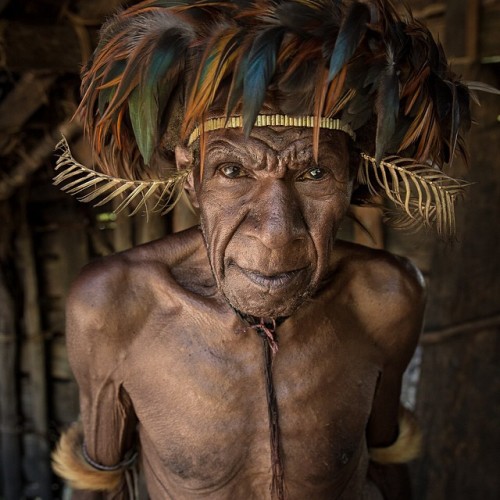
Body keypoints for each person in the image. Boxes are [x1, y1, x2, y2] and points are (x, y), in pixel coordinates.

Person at [52, 1, 477, 498]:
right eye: (233, 172)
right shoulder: (114, 306)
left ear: (351, 179)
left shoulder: (386, 298)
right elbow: (101, 482)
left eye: (315, 173)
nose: (276, 231)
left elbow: (383, 461)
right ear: (192, 178)